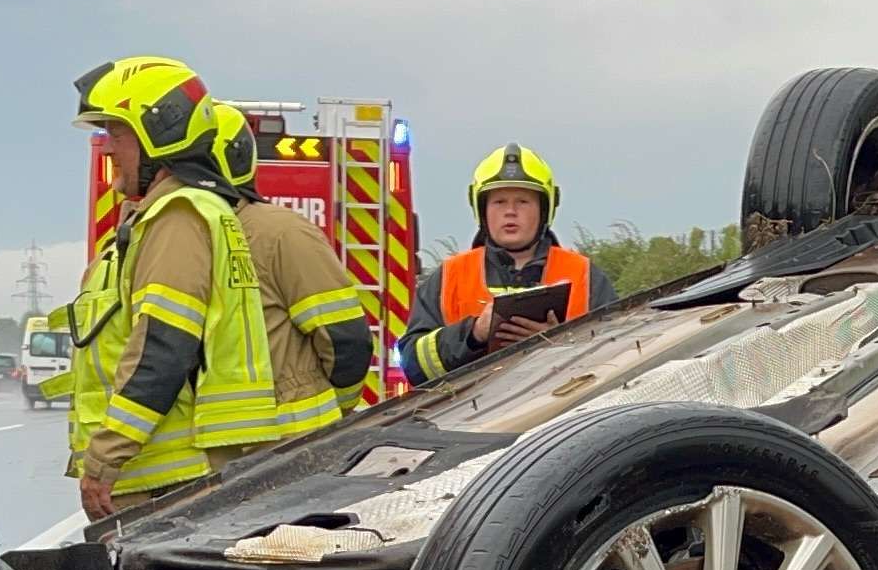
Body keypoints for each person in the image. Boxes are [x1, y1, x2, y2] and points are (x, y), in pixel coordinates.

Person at [65, 57, 288, 521]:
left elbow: (163, 348)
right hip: (170, 476)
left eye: (116, 133)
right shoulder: (172, 216)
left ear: (159, 134)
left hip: (170, 480)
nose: (107, 150)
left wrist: (105, 457)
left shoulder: (179, 219)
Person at [208, 100, 376, 431]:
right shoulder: (179, 239)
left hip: (281, 451)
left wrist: (332, 415)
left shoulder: (282, 233)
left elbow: (347, 341)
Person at [395, 143, 614, 389]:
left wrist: (559, 343)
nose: (510, 212)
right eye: (499, 201)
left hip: (560, 421)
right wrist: (474, 333)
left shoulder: (584, 276)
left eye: (522, 201)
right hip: (466, 423)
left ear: (544, 208)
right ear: (482, 209)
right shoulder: (450, 276)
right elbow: (413, 365)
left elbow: (618, 359)